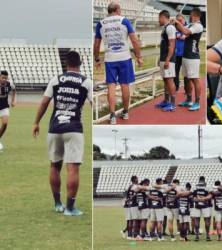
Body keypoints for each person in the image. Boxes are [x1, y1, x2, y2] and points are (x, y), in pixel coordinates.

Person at [32, 51, 92, 216]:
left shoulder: (56, 79)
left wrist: (36, 122)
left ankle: (58, 204)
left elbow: (44, 101)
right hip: (73, 128)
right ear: (81, 63)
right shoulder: (86, 82)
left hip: (55, 128)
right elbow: (94, 103)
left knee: (54, 165)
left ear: (66, 64)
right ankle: (70, 208)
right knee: (72, 169)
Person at [94, 1, 143, 124]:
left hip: (110, 58)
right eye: (119, 9)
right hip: (124, 57)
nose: (120, 11)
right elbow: (134, 40)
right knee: (124, 85)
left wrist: (96, 59)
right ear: (116, 9)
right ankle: (125, 112)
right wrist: (138, 56)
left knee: (111, 86)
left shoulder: (101, 23)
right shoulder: (124, 20)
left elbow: (96, 44)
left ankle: (112, 116)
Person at [173, 8, 203, 111]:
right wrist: (176, 23)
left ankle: (197, 102)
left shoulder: (198, 26)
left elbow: (185, 31)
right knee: (187, 78)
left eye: (191, 15)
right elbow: (181, 29)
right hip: (186, 56)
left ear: (195, 16)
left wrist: (178, 22)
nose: (190, 17)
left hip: (193, 57)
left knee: (195, 79)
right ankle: (189, 99)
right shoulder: (191, 25)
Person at [155, 10, 177, 112]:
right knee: (165, 80)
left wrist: (168, 59)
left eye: (159, 18)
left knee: (169, 80)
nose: (158, 20)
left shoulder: (170, 28)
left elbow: (172, 44)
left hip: (169, 59)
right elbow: (164, 45)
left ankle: (172, 104)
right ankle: (166, 100)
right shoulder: (165, 28)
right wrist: (161, 58)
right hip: (164, 58)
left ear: (163, 17)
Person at [191, 176, 213, 241]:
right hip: (206, 206)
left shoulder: (195, 187)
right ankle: (207, 236)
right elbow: (210, 196)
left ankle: (197, 236)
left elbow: (193, 198)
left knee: (197, 220)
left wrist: (198, 199)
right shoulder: (207, 187)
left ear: (199, 180)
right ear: (204, 180)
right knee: (207, 220)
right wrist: (204, 199)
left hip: (197, 206)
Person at [0, 70, 16, 150]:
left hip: (4, 106)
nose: (4, 80)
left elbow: (14, 89)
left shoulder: (9, 84)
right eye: (3, 78)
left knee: (5, 123)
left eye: (5, 78)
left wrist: (13, 100)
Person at [174, 14, 188, 93]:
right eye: (178, 20)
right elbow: (179, 36)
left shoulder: (188, 27)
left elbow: (184, 36)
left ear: (184, 20)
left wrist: (182, 35)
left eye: (181, 20)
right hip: (176, 54)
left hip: (185, 54)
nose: (179, 22)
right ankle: (176, 88)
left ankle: (187, 90)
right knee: (175, 72)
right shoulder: (174, 28)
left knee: (186, 73)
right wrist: (182, 35)